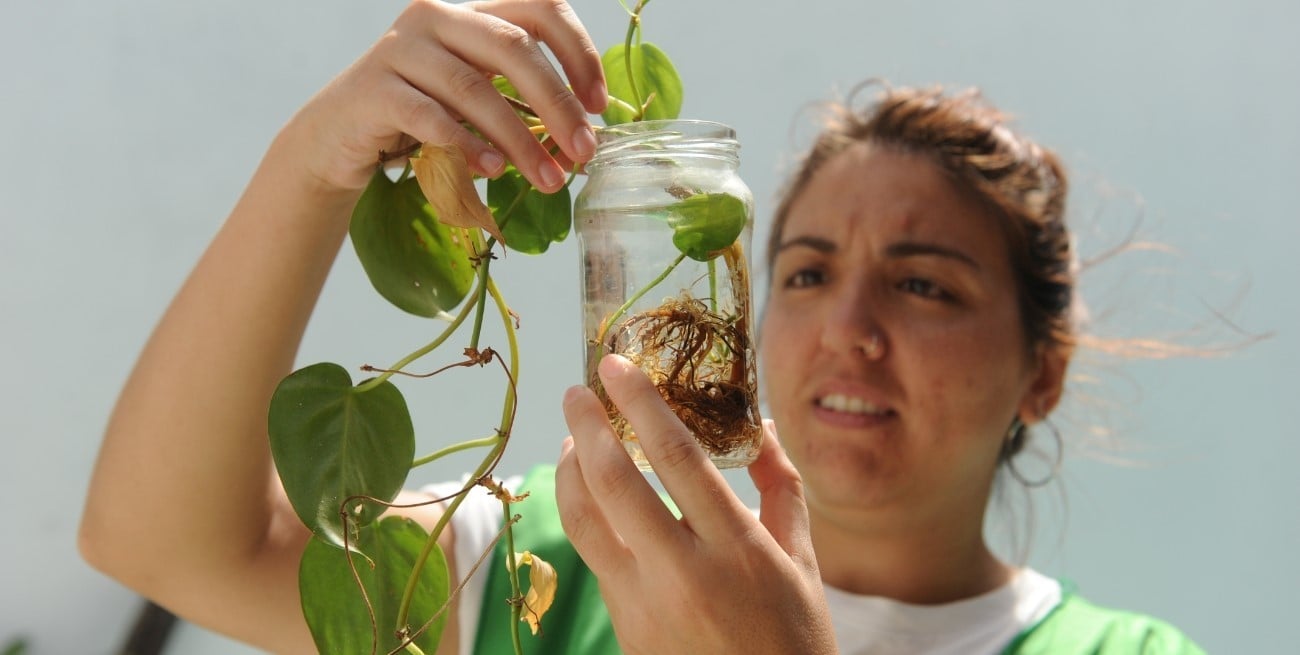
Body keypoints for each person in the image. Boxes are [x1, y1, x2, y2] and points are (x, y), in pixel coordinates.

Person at [78, 1, 1206, 653]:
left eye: (925, 286)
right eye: (806, 273)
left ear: (1040, 371)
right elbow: (169, 542)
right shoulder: (559, 565)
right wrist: (313, 163)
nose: (849, 326)